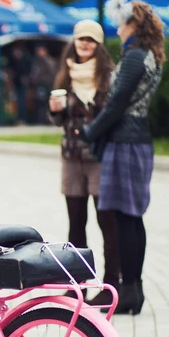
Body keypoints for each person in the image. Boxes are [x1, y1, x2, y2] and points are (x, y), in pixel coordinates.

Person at [82, 0, 165, 315]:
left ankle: (130, 291)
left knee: (123, 218)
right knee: (132, 218)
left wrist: (90, 132)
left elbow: (116, 105)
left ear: (133, 25)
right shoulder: (151, 56)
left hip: (126, 144)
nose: (117, 29)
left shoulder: (134, 57)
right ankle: (134, 289)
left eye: (120, 24)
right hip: (139, 141)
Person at [49, 20, 119, 306]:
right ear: (75, 42)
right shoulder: (65, 75)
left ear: (99, 44)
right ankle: (78, 284)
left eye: (91, 39)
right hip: (71, 158)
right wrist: (55, 112)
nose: (85, 44)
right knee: (76, 224)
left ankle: (111, 284)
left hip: (101, 158)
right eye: (81, 39)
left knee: (107, 223)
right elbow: (58, 121)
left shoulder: (108, 76)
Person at [31, 44, 58, 124]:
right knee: (40, 103)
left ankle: (47, 120)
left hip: (46, 85)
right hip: (40, 85)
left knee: (46, 103)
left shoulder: (48, 61)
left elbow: (52, 73)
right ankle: (42, 120)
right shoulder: (37, 61)